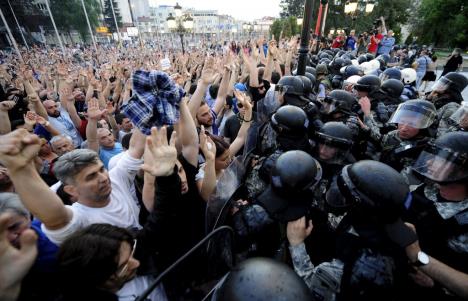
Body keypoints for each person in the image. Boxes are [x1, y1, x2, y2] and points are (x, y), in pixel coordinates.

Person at [287, 160, 417, 301]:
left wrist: (296, 243)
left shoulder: (347, 265)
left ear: (363, 210)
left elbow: (309, 288)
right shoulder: (400, 233)